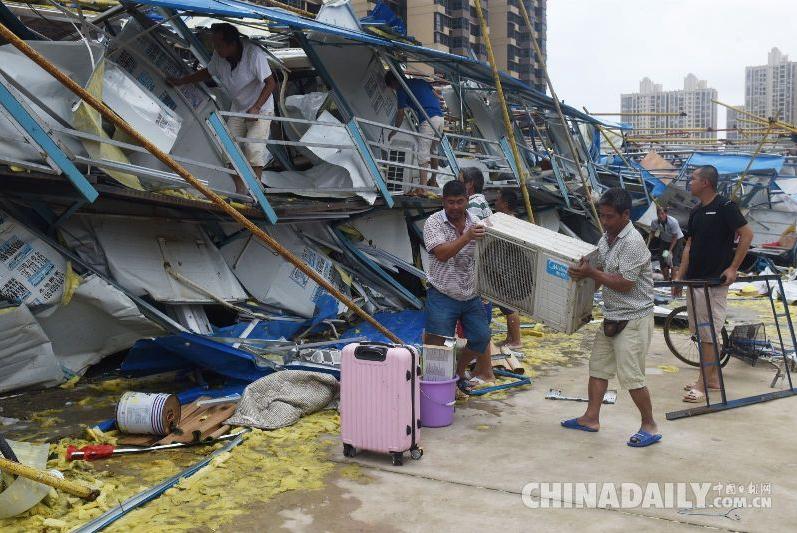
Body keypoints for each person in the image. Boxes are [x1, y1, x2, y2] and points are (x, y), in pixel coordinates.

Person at [565, 188, 661, 448]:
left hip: (634, 319)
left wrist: (591, 273)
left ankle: (649, 425)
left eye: (609, 217)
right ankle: (591, 417)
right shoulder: (607, 239)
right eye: (602, 216)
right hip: (612, 316)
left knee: (632, 377)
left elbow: (623, 283)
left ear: (626, 215)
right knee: (598, 368)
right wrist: (582, 282)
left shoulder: (633, 242)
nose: (604, 222)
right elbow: (599, 272)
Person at [168, 23, 278, 193]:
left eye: (219, 45)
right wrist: (182, 81)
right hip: (239, 107)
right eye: (214, 44)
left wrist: (256, 107)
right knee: (228, 149)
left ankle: (256, 192)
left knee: (253, 149)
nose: (215, 49)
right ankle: (241, 191)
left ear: (232, 44)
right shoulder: (219, 56)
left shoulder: (253, 54)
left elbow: (271, 83)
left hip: (261, 107)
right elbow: (208, 72)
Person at [675, 165, 753, 403]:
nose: (690, 182)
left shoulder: (725, 207)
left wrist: (733, 268)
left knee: (708, 333)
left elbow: (747, 234)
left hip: (714, 281)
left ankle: (702, 384)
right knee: (700, 333)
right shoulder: (697, 211)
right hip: (695, 280)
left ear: (706, 183)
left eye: (693, 179)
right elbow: (689, 245)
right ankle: (712, 379)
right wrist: (680, 276)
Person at [423, 180, 494, 389]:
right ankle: (439, 385)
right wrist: (467, 236)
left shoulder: (478, 222)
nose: (455, 207)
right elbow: (442, 254)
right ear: (443, 202)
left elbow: (488, 255)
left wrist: (487, 289)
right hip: (442, 293)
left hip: (471, 293)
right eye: (450, 202)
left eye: (459, 202)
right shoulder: (433, 223)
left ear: (467, 200)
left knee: (481, 337)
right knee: (439, 343)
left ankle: (458, 371)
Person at [384, 72, 445, 194]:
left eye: (392, 87)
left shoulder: (402, 89)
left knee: (423, 153)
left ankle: (423, 188)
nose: (394, 89)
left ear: (394, 82)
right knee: (433, 152)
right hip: (440, 117)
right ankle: (433, 181)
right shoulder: (420, 81)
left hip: (428, 119)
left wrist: (394, 130)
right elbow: (436, 95)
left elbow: (400, 113)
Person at [495, 189, 522, 349]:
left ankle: (516, 340)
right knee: (506, 304)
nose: (496, 202)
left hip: (509, 269)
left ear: (505, 203)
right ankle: (510, 337)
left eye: (498, 200)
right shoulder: (508, 219)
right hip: (505, 267)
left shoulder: (509, 221)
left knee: (509, 306)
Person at [647, 205, 684, 281]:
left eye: (662, 214)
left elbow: (675, 237)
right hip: (665, 241)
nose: (661, 216)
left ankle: (674, 281)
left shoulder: (673, 222)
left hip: (676, 241)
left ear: (666, 214)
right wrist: (647, 243)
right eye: (659, 214)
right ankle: (666, 280)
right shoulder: (655, 222)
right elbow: (652, 233)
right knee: (663, 258)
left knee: (673, 260)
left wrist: (670, 251)